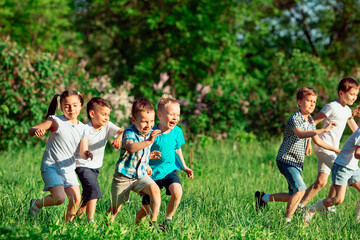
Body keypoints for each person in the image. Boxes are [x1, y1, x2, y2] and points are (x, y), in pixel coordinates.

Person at [255, 87, 340, 223]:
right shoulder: (295, 118)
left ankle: (263, 198)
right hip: (286, 159)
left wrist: (336, 150)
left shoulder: (311, 120)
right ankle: (286, 222)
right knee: (301, 190)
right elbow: (301, 134)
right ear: (299, 102)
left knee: (294, 195)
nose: (312, 104)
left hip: (297, 162)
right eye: (308, 101)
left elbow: (317, 141)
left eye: (314, 101)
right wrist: (323, 129)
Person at [28, 90, 93, 223]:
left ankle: (66, 227)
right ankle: (36, 204)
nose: (71, 109)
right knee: (59, 199)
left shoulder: (83, 128)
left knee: (76, 199)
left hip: (68, 169)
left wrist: (87, 154)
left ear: (81, 105)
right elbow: (31, 130)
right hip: (51, 167)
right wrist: (37, 131)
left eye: (75, 105)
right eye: (67, 106)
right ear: (61, 106)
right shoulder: (55, 120)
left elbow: (82, 152)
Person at [300, 78, 359, 211]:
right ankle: (328, 209)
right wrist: (308, 142)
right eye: (351, 94)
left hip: (332, 150)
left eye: (356, 95)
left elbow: (356, 130)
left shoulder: (348, 111)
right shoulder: (331, 107)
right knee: (340, 169)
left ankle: (300, 206)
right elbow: (312, 123)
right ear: (341, 93)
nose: (354, 98)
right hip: (323, 147)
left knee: (321, 182)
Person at [135, 95, 194, 227]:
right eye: (171, 114)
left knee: (177, 192)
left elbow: (177, 150)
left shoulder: (177, 132)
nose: (175, 118)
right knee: (147, 209)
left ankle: (167, 220)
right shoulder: (152, 133)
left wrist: (184, 167)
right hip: (151, 173)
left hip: (169, 170)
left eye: (177, 115)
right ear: (160, 115)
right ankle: (137, 226)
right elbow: (142, 151)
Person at [107, 98, 162, 228]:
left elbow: (141, 153)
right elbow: (131, 148)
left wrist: (148, 159)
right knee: (115, 209)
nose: (149, 125)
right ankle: (105, 228)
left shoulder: (148, 134)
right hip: (123, 176)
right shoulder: (129, 132)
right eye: (144, 122)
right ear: (133, 120)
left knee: (155, 190)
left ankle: (153, 222)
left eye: (152, 121)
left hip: (140, 176)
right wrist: (148, 142)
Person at [304, 113, 360, 223]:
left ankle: (357, 222)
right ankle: (310, 210)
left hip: (353, 168)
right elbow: (357, 154)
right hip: (342, 167)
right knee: (338, 200)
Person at [75, 97, 124, 223]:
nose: (107, 117)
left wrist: (119, 136)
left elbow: (125, 131)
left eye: (108, 114)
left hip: (95, 167)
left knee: (87, 197)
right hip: (82, 164)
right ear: (92, 114)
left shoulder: (107, 126)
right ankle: (90, 221)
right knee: (94, 191)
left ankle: (74, 221)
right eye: (103, 114)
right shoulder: (85, 129)